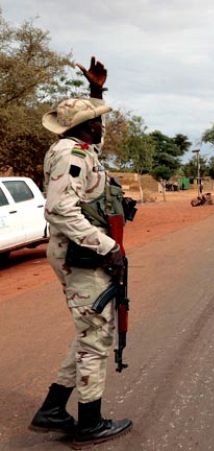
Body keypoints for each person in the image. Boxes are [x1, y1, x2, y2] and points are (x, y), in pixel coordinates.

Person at [31, 57, 132, 447]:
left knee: (91, 331)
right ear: (85, 127)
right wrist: (108, 247)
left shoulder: (80, 146)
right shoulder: (71, 154)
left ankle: (53, 408)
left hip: (82, 252)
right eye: (96, 120)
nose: (101, 125)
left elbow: (95, 147)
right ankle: (89, 423)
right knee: (95, 338)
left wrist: (95, 91)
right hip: (82, 254)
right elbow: (59, 209)